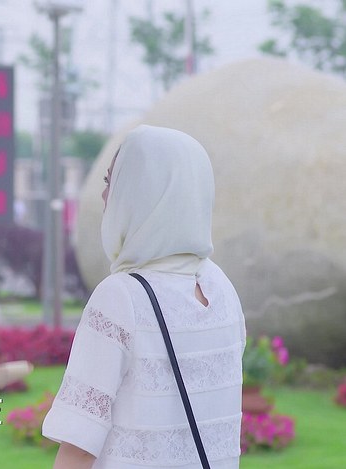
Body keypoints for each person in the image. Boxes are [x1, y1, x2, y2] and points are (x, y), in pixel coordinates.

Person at [42, 125, 246, 468]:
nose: (104, 196)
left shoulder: (121, 297)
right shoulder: (220, 287)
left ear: (142, 193)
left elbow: (79, 447)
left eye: (113, 182)